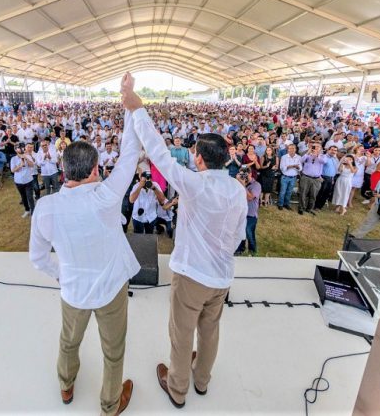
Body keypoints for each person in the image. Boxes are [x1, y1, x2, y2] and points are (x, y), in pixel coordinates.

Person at [121, 76, 247, 410]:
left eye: (194, 153)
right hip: (222, 276)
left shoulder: (194, 184)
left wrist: (138, 109)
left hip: (192, 275)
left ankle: (177, 389)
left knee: (181, 334)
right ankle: (202, 380)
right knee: (210, 331)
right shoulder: (237, 190)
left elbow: (160, 155)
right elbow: (238, 235)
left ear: (200, 159)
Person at [29, 73, 141, 416]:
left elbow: (37, 258)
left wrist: (61, 274)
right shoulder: (107, 196)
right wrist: (129, 105)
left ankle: (66, 385)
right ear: (95, 169)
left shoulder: (45, 207)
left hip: (73, 290)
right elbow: (130, 153)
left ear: (64, 171)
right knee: (114, 352)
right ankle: (110, 405)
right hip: (110, 289)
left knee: (68, 341)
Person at [234, 167, 261, 255]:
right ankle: (239, 250)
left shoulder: (256, 185)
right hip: (240, 213)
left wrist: (242, 185)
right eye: (241, 174)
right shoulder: (237, 184)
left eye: (245, 174)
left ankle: (252, 251)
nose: (243, 176)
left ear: (250, 174)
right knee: (239, 232)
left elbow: (250, 197)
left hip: (251, 214)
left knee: (249, 232)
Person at [298, 143, 327, 215]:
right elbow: (301, 160)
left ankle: (309, 209)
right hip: (306, 177)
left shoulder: (323, 156)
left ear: (321, 148)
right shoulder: (307, 155)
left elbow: (323, 161)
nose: (315, 148)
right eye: (314, 146)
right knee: (303, 193)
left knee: (313, 195)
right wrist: (308, 152)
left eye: (318, 147)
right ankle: (301, 208)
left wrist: (317, 155)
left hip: (316, 179)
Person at [11, 143, 36, 218]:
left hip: (28, 180)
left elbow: (32, 165)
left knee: (30, 197)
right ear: (16, 150)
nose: (21, 149)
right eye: (19, 148)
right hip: (19, 181)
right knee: (23, 197)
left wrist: (26, 158)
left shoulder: (27, 156)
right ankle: (27, 210)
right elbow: (13, 170)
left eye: (22, 147)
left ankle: (33, 211)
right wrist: (20, 165)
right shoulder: (13, 159)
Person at [314, 145, 339, 210]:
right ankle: (315, 206)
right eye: (332, 150)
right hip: (323, 177)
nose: (333, 151)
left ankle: (319, 207)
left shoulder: (335, 159)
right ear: (328, 150)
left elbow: (335, 169)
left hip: (331, 178)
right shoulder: (323, 156)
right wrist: (319, 176)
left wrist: (332, 178)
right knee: (320, 192)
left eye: (335, 150)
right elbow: (319, 167)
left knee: (326, 193)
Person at [277, 142, 301, 210]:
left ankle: (286, 204)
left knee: (289, 192)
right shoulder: (284, 157)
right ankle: (280, 204)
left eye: (293, 148)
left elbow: (300, 168)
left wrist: (298, 167)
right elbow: (282, 168)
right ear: (288, 149)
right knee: (283, 191)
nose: (292, 150)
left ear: (295, 149)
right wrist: (291, 166)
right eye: (290, 148)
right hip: (285, 177)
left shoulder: (299, 157)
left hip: (293, 178)